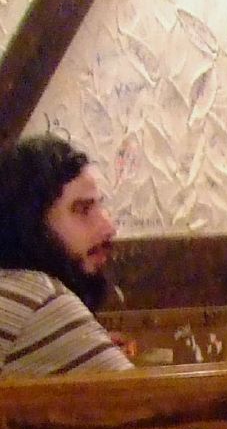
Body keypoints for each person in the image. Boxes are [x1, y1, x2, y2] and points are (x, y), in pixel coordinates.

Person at [0, 134, 130, 375]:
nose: (108, 227)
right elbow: (154, 403)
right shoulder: (41, 300)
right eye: (82, 210)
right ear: (32, 224)